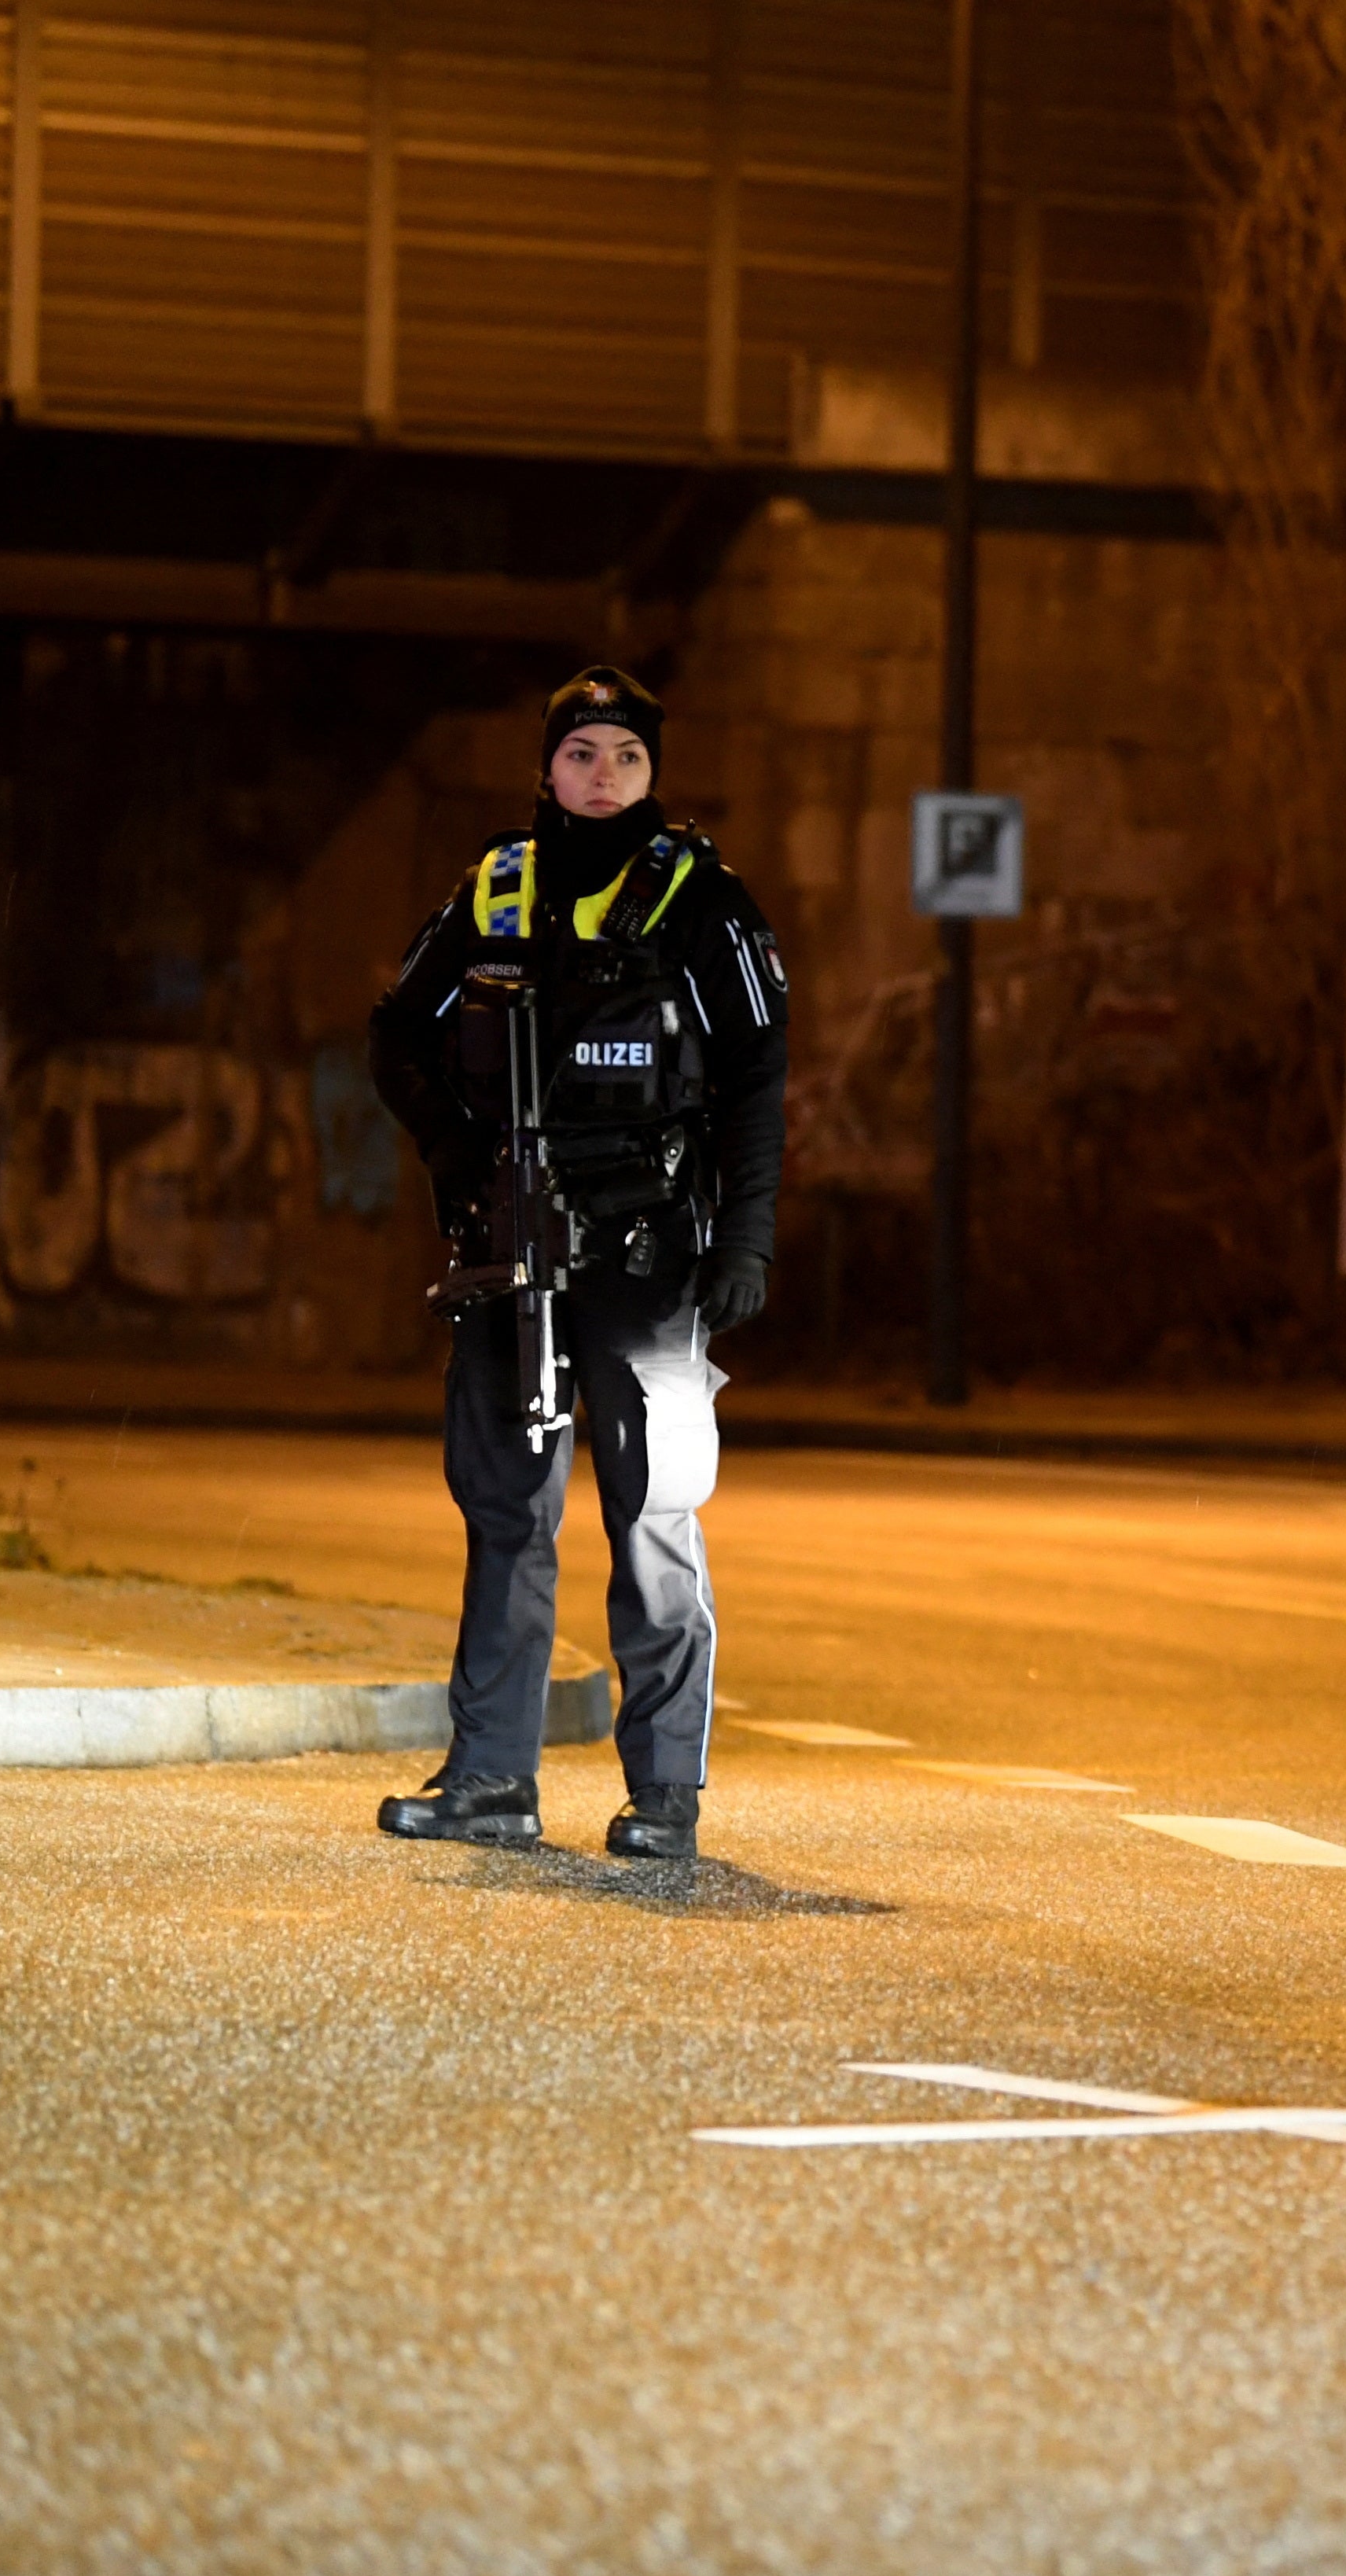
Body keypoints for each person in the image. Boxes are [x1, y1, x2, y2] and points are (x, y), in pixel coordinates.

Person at [364, 666, 789, 1860]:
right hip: (511, 1243)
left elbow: (758, 1076)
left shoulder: (703, 899)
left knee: (653, 1515)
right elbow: (397, 1032)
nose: (602, 777)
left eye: (626, 757)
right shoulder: (495, 888)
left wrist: (747, 1233)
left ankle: (664, 1797)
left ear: (653, 773)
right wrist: (454, 1154)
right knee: (504, 1510)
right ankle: (492, 1780)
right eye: (581, 754)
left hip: (648, 1251)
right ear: (546, 767)